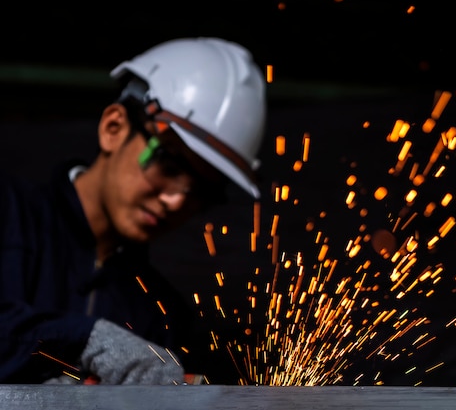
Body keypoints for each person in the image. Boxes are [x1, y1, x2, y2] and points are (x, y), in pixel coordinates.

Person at [0, 37, 266, 384]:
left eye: (201, 190)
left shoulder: (161, 319)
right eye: (168, 164)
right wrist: (86, 340)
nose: (176, 201)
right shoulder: (8, 213)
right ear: (114, 128)